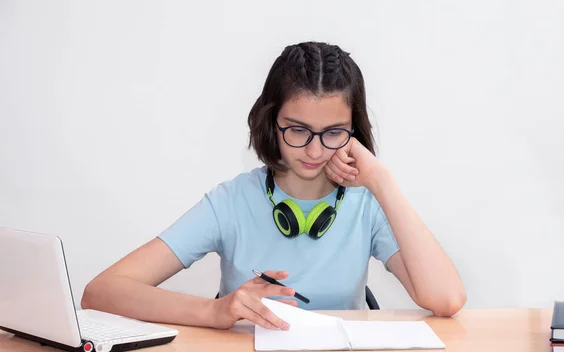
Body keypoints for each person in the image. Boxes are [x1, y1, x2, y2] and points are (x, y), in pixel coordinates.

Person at [81, 41, 466, 332]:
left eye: (333, 133)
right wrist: (214, 311)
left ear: (354, 131)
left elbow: (447, 299)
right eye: (297, 130)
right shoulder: (231, 202)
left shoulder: (367, 204)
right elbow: (102, 292)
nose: (314, 150)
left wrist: (382, 181)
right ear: (271, 122)